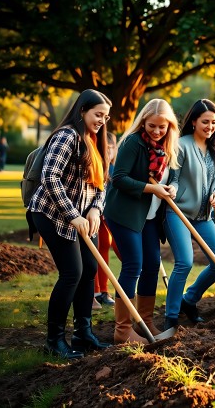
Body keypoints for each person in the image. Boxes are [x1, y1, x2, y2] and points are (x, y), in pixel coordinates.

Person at [28, 89, 112, 359]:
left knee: (89, 269)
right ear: (82, 111)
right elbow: (50, 177)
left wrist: (96, 210)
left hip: (85, 216)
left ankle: (83, 333)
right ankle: (54, 340)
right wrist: (73, 214)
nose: (102, 120)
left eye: (105, 117)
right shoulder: (67, 136)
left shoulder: (95, 139)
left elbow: (102, 184)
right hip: (52, 212)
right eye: (98, 114)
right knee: (72, 273)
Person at [104, 98, 180, 345]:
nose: (157, 131)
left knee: (151, 265)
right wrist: (152, 189)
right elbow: (119, 179)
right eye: (152, 126)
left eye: (162, 127)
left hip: (149, 216)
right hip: (124, 213)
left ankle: (144, 321)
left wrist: (172, 188)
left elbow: (174, 174)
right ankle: (122, 331)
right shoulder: (133, 143)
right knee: (133, 265)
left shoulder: (167, 146)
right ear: (143, 122)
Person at [162, 99, 215, 329]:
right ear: (193, 121)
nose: (210, 126)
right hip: (178, 213)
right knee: (184, 262)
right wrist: (172, 189)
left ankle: (188, 301)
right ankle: (171, 316)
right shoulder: (181, 145)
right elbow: (174, 179)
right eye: (205, 122)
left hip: (204, 217)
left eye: (213, 122)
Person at [94, 132, 118, 310]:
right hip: (95, 215)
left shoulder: (115, 169)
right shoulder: (97, 166)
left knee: (107, 247)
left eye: (112, 148)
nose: (109, 152)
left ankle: (104, 290)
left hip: (111, 215)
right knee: (97, 249)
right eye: (106, 148)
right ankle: (96, 291)